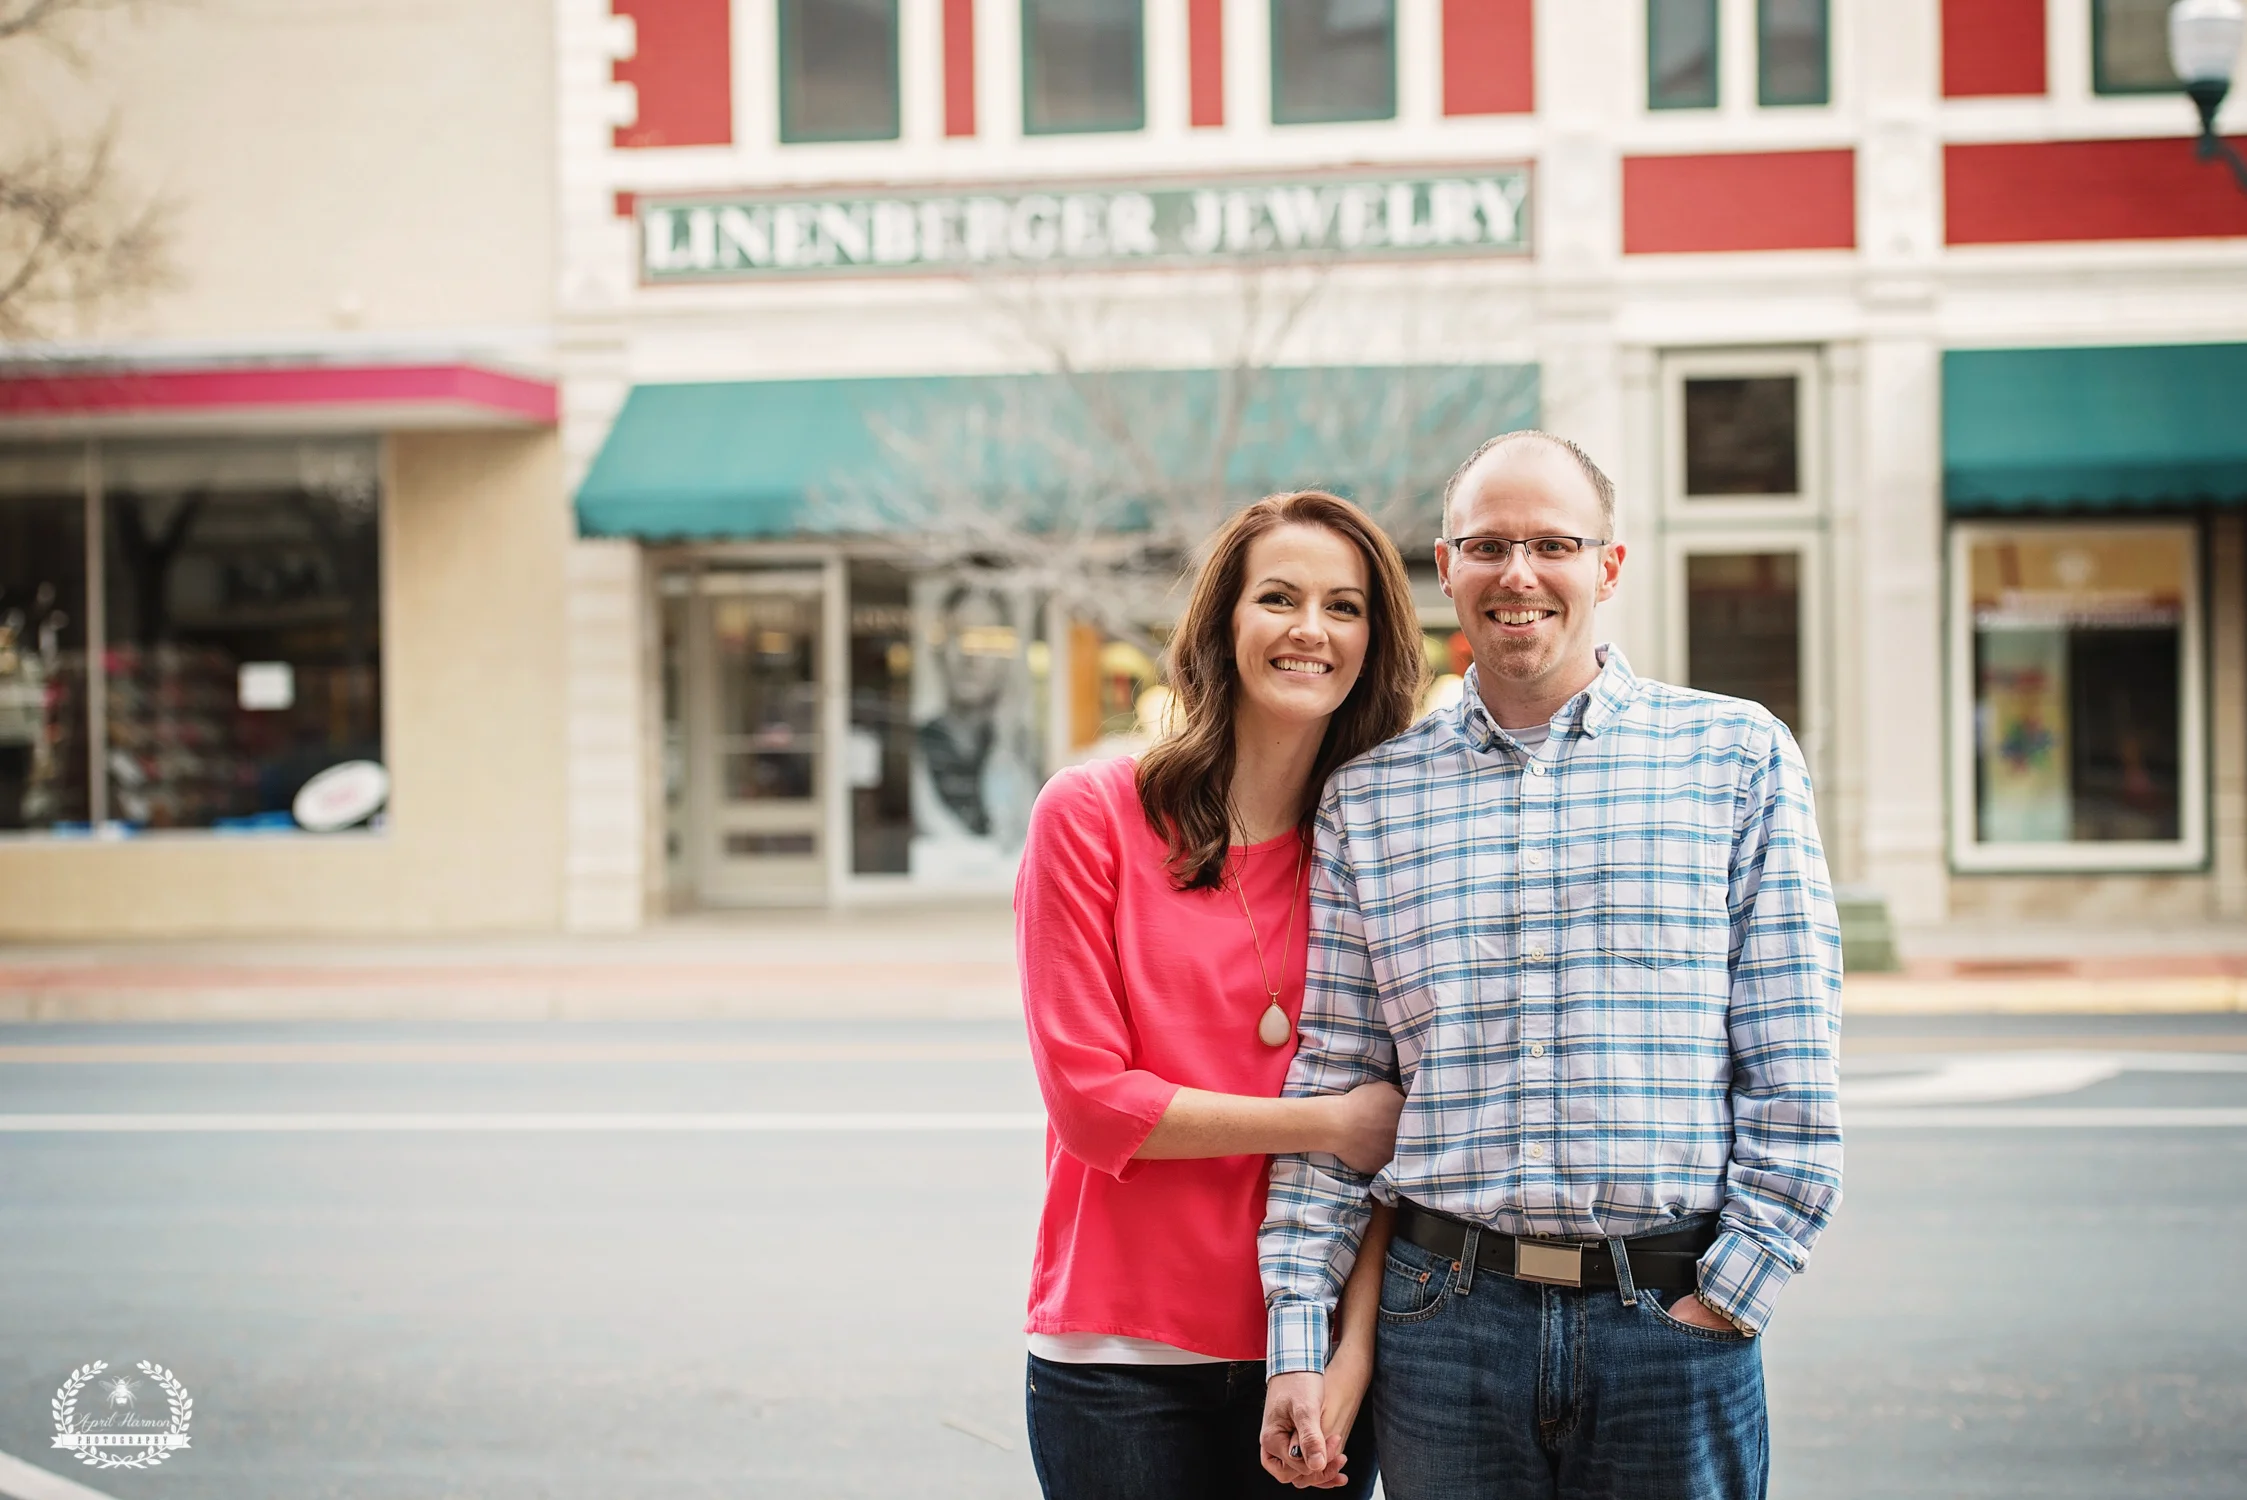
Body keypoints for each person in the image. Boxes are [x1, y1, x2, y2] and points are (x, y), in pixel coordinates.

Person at [1258, 432, 1843, 1500]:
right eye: (1488, 545)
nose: (1516, 573)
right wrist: (1299, 1331)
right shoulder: (1369, 799)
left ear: (1606, 567)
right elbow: (1334, 1080)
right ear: (1448, 567)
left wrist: (1730, 1294)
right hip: (1444, 1327)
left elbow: (1793, 1060)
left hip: (1667, 1323)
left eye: (1551, 543)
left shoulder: (1736, 758)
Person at [1017, 491, 1428, 1500]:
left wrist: (1352, 1360)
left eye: (1344, 606)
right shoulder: (1094, 814)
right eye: (1278, 597)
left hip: (1313, 1357)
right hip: (1121, 1360)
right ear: (1223, 627)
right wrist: (1326, 1123)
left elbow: (1401, 1145)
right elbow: (1092, 1104)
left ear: (1375, 642)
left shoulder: (1376, 848)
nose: (1309, 629)